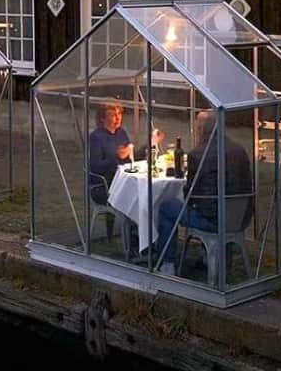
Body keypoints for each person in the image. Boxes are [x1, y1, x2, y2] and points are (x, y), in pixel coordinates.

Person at [154, 110, 253, 275]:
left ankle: (167, 264)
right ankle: (213, 258)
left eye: (197, 127)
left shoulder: (198, 154)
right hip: (240, 217)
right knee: (217, 201)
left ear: (201, 130)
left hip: (213, 220)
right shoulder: (239, 149)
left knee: (166, 206)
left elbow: (190, 193)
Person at [87, 104, 131, 205]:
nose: (118, 118)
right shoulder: (96, 137)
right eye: (113, 115)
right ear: (102, 119)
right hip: (104, 185)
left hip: (122, 180)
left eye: (119, 114)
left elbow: (130, 158)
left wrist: (148, 145)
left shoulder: (121, 133)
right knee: (136, 195)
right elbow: (95, 167)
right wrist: (116, 157)